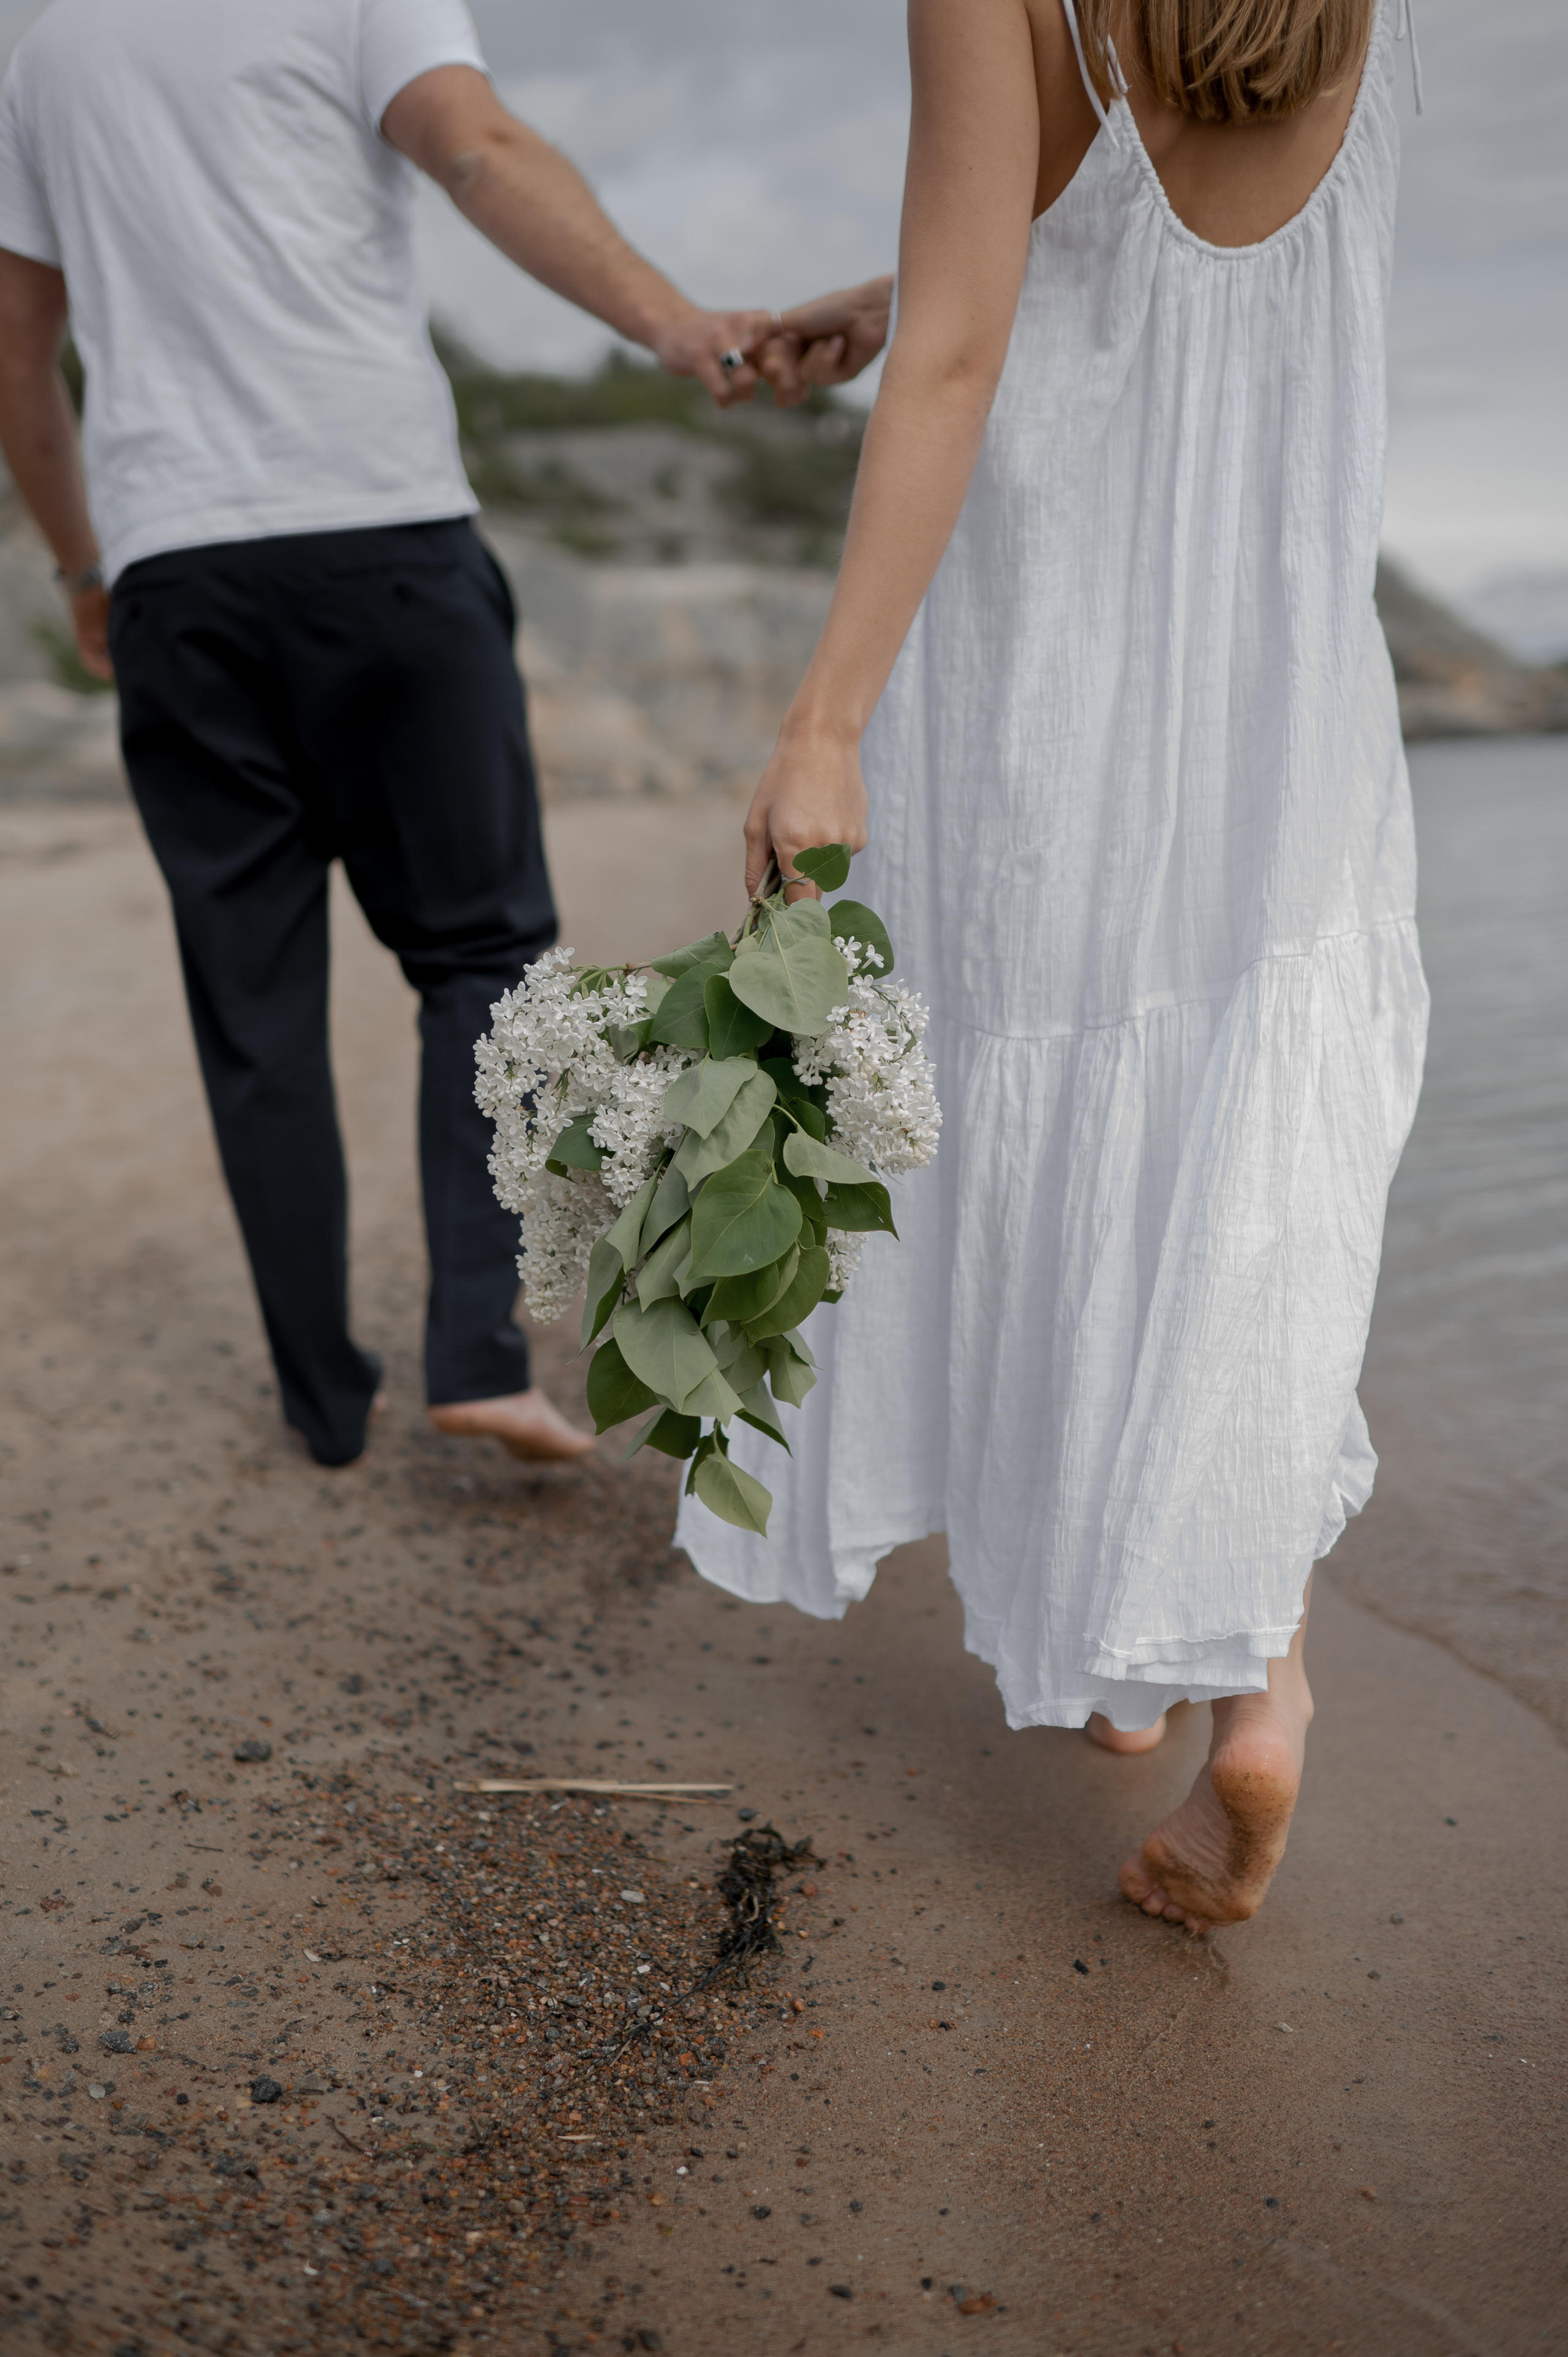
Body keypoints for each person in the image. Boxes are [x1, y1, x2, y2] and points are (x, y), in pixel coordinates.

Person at [677, 0, 1430, 1934]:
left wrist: (825, 716)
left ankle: (1199, 1642)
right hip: (1282, 696)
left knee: (1051, 1110)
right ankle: (1231, 1668)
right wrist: (890, 281)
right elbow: (1063, 251)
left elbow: (965, 348)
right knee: (1243, 1156)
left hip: (1057, 678)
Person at [0, 0, 890, 1472]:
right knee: (479, 954)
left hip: (178, 570)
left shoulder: (43, 43)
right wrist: (676, 322)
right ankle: (475, 1350)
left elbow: (19, 352)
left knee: (253, 1006)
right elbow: (474, 148)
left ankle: (318, 1400)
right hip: (380, 538)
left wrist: (89, 571)